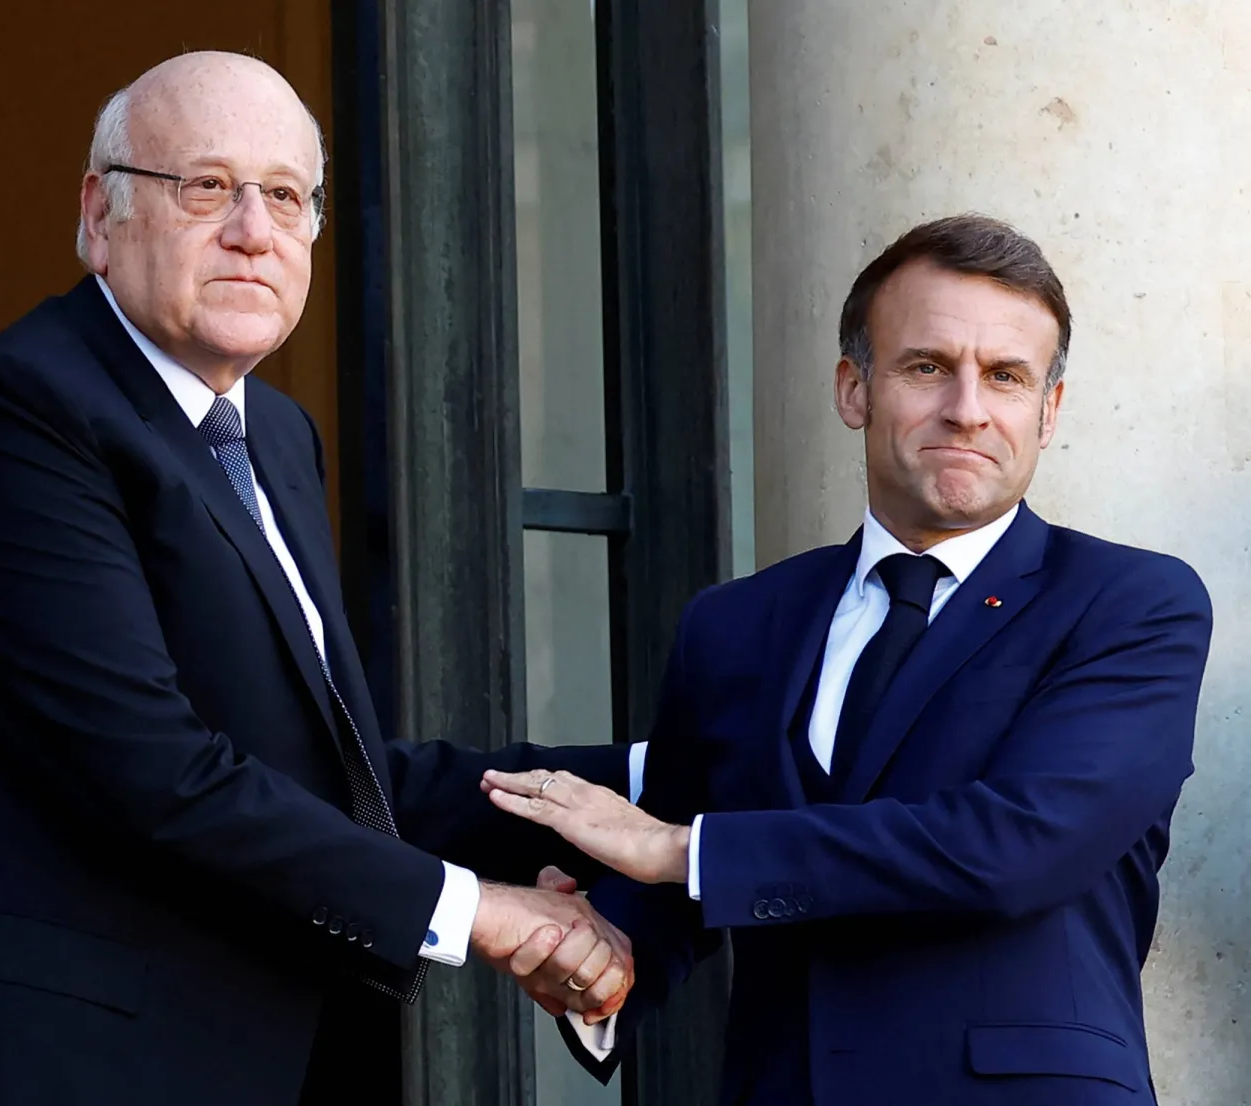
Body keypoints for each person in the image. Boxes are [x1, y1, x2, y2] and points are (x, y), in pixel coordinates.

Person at [0, 52, 638, 1106]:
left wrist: (635, 790)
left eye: (285, 195)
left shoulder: (269, 431)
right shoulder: (17, 412)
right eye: (206, 187)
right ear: (101, 214)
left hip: (262, 1051)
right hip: (65, 1059)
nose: (252, 230)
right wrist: (485, 913)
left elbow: (329, 780)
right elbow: (154, 770)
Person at [484, 214, 1214, 1105]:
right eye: (926, 366)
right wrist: (596, 962)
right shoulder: (735, 623)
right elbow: (670, 888)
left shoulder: (1129, 604)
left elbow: (1017, 846)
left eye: (1008, 377)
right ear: (853, 389)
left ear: (1048, 411)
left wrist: (678, 850)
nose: (968, 408)